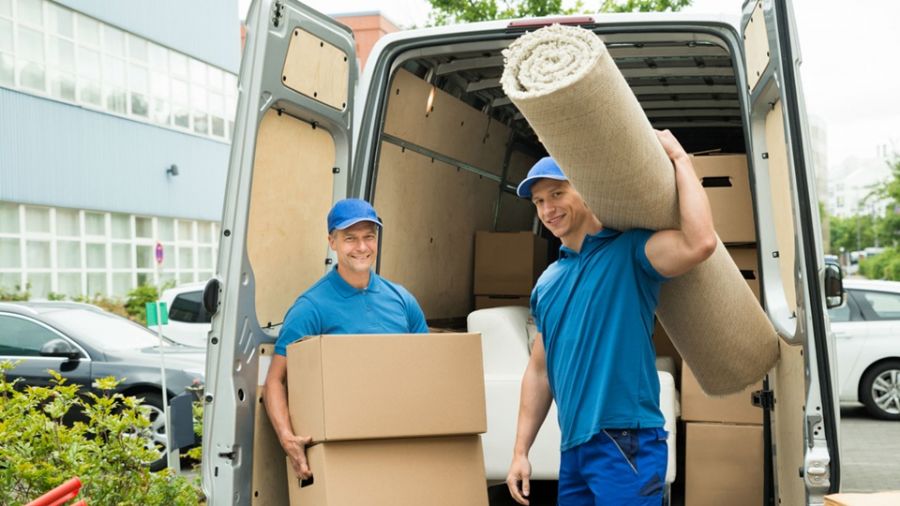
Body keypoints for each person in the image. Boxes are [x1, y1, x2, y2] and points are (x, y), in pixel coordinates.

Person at [506, 130, 716, 505]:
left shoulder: (629, 251)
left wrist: (681, 161)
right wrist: (521, 450)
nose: (547, 209)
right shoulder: (547, 284)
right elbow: (539, 371)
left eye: (557, 194)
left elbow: (699, 243)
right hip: (574, 448)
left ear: (585, 190)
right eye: (539, 201)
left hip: (627, 440)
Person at [264, 198, 428, 480]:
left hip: (399, 437)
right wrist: (287, 437)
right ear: (332, 241)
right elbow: (274, 381)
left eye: (369, 237)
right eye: (350, 238)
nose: (362, 247)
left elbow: (428, 367)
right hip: (344, 446)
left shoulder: (402, 300)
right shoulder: (310, 307)